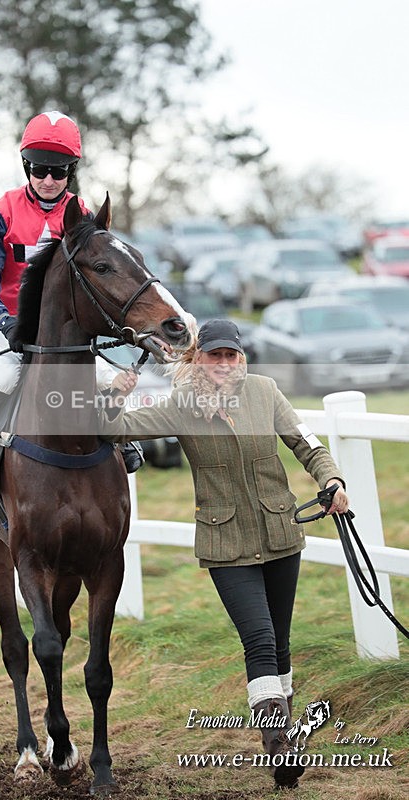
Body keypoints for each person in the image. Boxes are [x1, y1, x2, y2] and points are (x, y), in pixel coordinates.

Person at [99, 318, 349, 790]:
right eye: (213, 355)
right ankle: (279, 746)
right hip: (226, 543)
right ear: (197, 358)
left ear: (241, 357)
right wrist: (117, 390)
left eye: (230, 355)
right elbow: (111, 427)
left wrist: (331, 480)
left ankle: (286, 736)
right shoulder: (180, 405)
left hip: (281, 533)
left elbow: (306, 444)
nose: (223, 363)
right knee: (258, 640)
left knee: (280, 643)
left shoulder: (265, 391)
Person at [0, 110, 142, 493]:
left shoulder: (83, 214)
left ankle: (122, 435)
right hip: (10, 328)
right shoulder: (1, 213)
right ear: (27, 167)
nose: (49, 180)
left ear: (71, 171)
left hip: (67, 331)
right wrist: (9, 325)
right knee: (1, 376)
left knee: (109, 377)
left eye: (60, 171)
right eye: (40, 170)